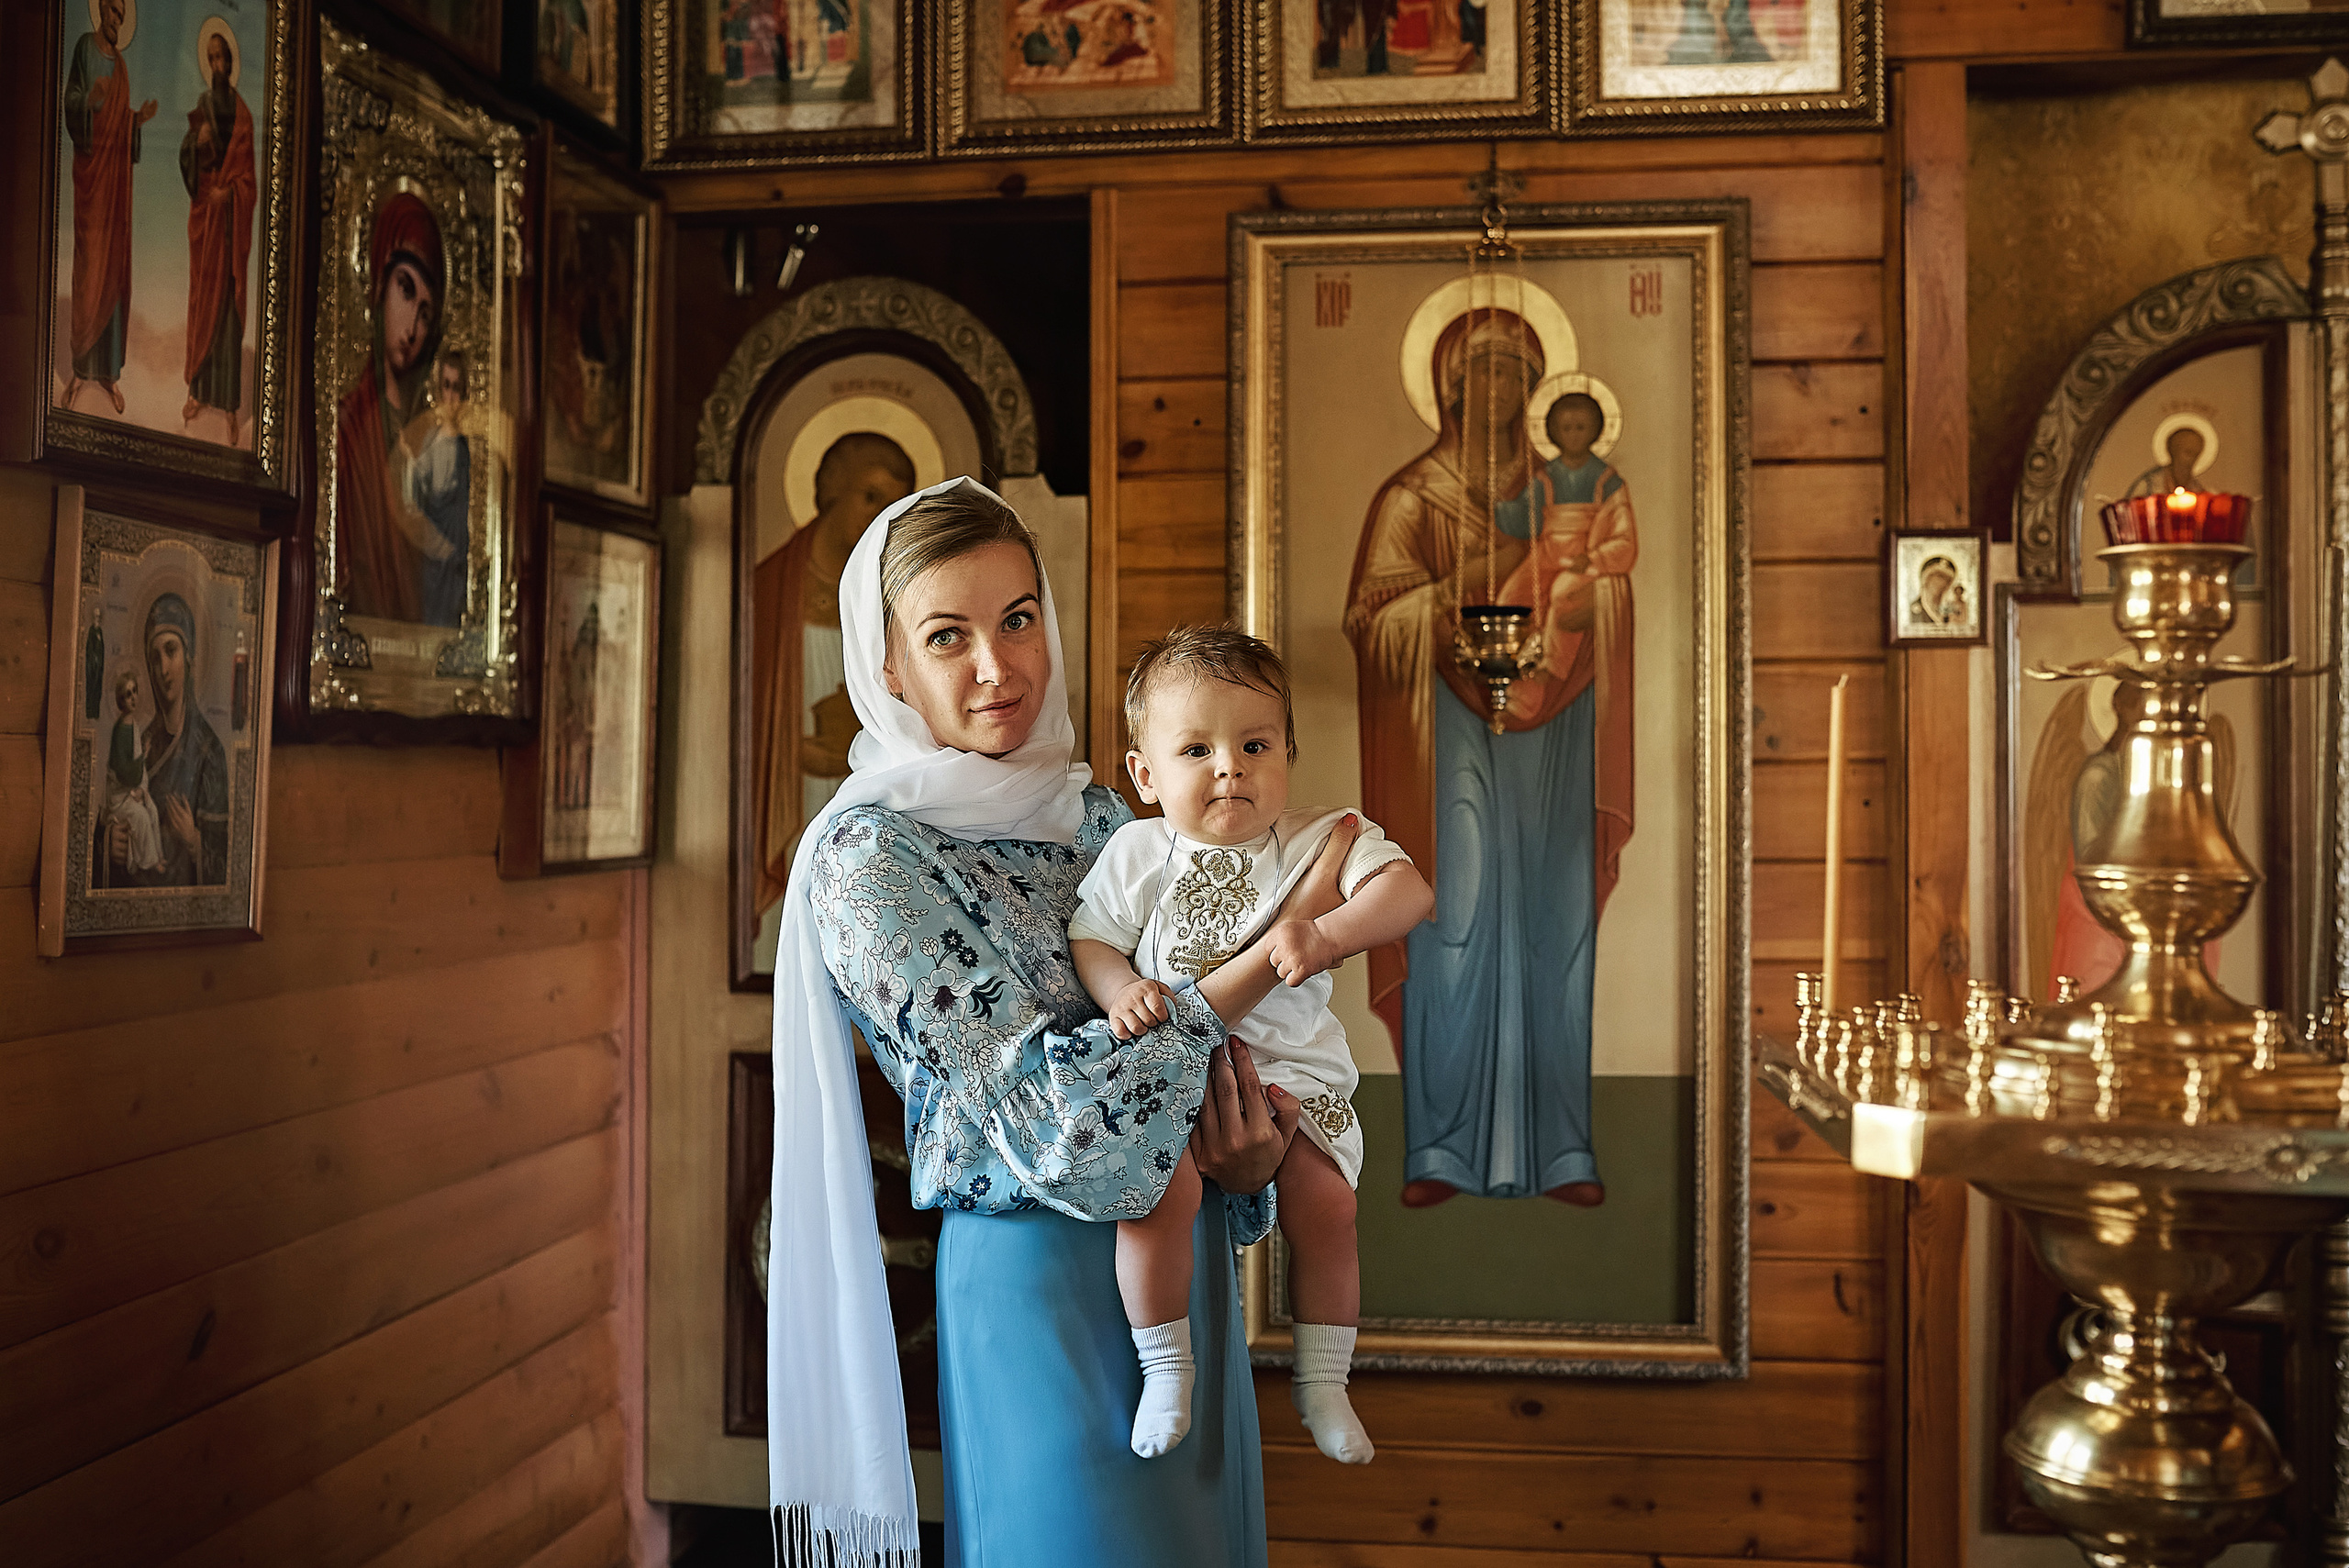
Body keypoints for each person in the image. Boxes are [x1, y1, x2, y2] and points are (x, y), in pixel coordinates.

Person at [770, 476, 1357, 1567]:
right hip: (1034, 1281)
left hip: (1180, 1273)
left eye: (1019, 618)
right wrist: (1269, 950)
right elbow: (1050, 1114)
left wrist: (1248, 1159)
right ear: (886, 665)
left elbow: (1229, 1063)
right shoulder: (867, 863)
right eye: (949, 636)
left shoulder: (1093, 811)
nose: (998, 667)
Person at [1071, 627, 1431, 1465]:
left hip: (1290, 1077)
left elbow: (1408, 890)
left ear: (1288, 754)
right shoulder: (1140, 851)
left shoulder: (1319, 837)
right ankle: (1166, 1365)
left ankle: (1323, 1381)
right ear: (1145, 775)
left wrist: (1331, 933)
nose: (1230, 766)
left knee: (1330, 1205)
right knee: (1157, 1201)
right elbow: (1091, 939)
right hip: (1175, 1072)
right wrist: (1121, 988)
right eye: (1197, 748)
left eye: (1254, 743)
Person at [1343, 311, 1635, 1211]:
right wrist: (1446, 612)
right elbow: (1372, 617)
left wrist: (1588, 597)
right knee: (1454, 916)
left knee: (1556, 926)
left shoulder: (1566, 494)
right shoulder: (1410, 497)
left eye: (1518, 373)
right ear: (1449, 387)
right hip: (1447, 740)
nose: (1499, 390)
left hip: (1554, 736)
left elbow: (1611, 586)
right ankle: (1438, 1144)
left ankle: (1562, 1149)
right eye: (1483, 373)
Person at [751, 431, 917, 911]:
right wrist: (793, 753)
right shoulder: (766, 590)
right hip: (792, 796)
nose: (883, 517)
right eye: (870, 497)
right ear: (830, 495)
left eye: (897, 504)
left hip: (871, 798)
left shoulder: (901, 600)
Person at [337, 193, 452, 624]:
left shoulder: (429, 435)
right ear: (377, 285)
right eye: (405, 290)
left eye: (426, 313)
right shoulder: (348, 428)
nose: (413, 329)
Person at [61, 0, 157, 417]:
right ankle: (81, 372)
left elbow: (119, 124)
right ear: (100, 10)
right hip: (92, 186)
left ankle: (108, 376)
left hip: (116, 192)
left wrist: (135, 124)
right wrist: (89, 102)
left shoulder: (120, 67)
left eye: (122, 14)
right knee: (90, 270)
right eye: (112, 11)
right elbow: (73, 101)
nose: (117, 19)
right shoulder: (85, 48)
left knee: (113, 274)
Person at [101, 593, 228, 889]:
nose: (164, 669)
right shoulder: (140, 742)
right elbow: (113, 807)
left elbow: (228, 863)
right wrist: (111, 842)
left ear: (190, 656)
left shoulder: (210, 751)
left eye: (171, 651)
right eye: (155, 658)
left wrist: (196, 842)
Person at [179, 22, 256, 447]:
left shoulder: (244, 115)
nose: (216, 65)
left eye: (221, 57)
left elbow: (251, 182)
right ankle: (196, 393)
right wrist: (196, 143)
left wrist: (233, 192)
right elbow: (188, 160)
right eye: (210, 59)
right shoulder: (203, 105)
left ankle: (228, 407)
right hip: (207, 224)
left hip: (229, 231)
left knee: (226, 315)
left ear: (230, 61)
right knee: (201, 304)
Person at [400, 350, 473, 628]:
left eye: (456, 387)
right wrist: (409, 459)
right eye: (446, 386)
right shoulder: (432, 438)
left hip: (459, 542)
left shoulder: (468, 443)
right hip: (438, 539)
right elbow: (420, 487)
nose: (451, 396)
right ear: (438, 389)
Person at [105, 671, 161, 878]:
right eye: (128, 695)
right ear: (121, 700)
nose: (134, 698)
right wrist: (143, 756)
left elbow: (136, 772)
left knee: (152, 810)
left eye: (135, 691)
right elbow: (125, 773)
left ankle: (158, 856)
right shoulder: (121, 730)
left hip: (131, 790)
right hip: (120, 796)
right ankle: (148, 862)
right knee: (142, 817)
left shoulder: (134, 727)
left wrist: (140, 790)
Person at [2126, 426, 2211, 499]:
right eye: (2188, 453)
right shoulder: (2148, 484)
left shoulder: (2197, 490)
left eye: (2196, 454)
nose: (2191, 460)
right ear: (2173, 452)